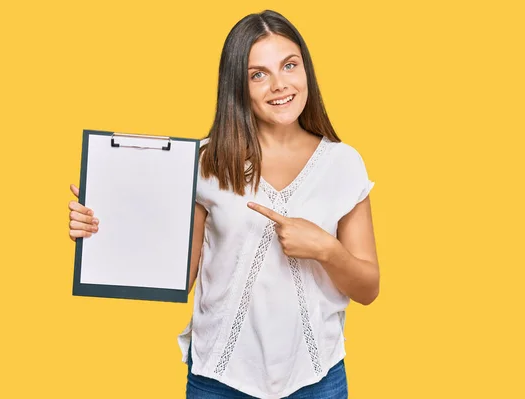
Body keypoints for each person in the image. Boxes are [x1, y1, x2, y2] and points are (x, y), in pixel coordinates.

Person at [68, 9, 379, 399]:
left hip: (316, 378)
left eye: (289, 65)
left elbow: (368, 288)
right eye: (258, 74)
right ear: (238, 85)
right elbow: (179, 278)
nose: (279, 85)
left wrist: (326, 249)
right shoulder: (205, 163)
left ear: (306, 70)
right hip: (220, 379)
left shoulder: (343, 163)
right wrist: (107, 224)